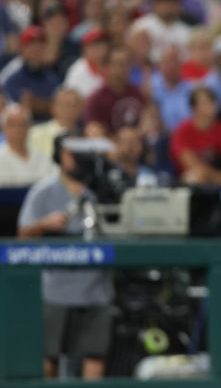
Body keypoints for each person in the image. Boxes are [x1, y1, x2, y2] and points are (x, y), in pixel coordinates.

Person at [16, 136, 115, 379]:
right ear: (61, 156)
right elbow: (22, 235)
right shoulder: (44, 190)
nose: (80, 160)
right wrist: (44, 223)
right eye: (73, 154)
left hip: (96, 288)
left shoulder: (102, 188)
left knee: (94, 355)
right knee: (49, 358)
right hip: (56, 290)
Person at [0, 103, 56, 186]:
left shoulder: (42, 157)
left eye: (22, 124)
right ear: (4, 128)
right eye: (13, 124)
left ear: (29, 127)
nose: (18, 129)